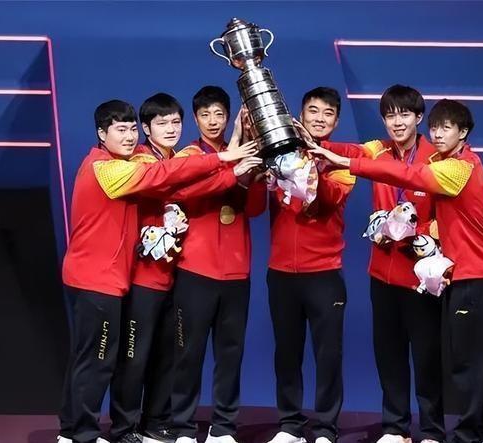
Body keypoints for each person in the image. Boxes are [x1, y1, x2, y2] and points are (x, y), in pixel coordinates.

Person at [57, 99, 256, 443]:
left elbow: (173, 184)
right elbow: (166, 176)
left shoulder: (128, 163)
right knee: (98, 360)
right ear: (101, 134)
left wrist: (232, 153)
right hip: (95, 278)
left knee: (98, 359)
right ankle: (81, 433)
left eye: (131, 129)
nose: (129, 136)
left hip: (115, 279)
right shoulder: (107, 168)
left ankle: (81, 431)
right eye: (121, 130)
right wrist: (225, 160)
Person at [310, 99, 483, 443]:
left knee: (467, 362)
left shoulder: (458, 167)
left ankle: (468, 435)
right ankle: (470, 432)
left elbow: (408, 175)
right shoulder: (435, 158)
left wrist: (347, 164)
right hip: (456, 273)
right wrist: (320, 146)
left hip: (473, 273)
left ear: (463, 133)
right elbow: (359, 152)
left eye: (447, 128)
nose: (438, 134)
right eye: (436, 127)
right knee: (462, 360)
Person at [322, 85, 445, 443]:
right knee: (389, 353)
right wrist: (314, 143)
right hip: (382, 272)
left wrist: (421, 232)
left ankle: (433, 430)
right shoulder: (378, 150)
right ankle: (395, 427)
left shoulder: (436, 157)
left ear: (419, 117)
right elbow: (349, 153)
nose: (397, 122)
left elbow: (449, 215)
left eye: (404, 114)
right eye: (390, 115)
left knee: (426, 356)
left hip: (420, 275)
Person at [169, 86, 267, 443]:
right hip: (195, 270)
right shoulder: (190, 156)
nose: (212, 121)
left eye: (219, 114)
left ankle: (223, 427)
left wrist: (254, 176)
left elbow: (254, 209)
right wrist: (231, 168)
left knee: (230, 354)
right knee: (188, 354)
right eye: (205, 115)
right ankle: (182, 427)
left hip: (237, 273)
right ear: (196, 119)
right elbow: (183, 193)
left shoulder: (246, 153)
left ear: (228, 117)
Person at [265, 87, 354, 443]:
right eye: (313, 110)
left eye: (328, 113)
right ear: (300, 115)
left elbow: (325, 200)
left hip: (324, 274)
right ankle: (290, 425)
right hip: (281, 273)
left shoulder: (342, 161)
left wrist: (308, 164)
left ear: (336, 121)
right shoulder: (278, 153)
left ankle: (326, 428)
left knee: (328, 355)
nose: (319, 118)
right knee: (286, 353)